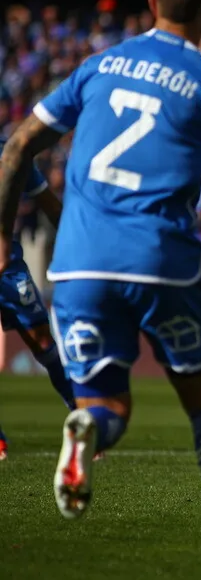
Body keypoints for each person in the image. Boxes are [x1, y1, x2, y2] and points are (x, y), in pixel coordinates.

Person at [0, 0, 201, 570]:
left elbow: (16, 151)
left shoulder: (95, 67)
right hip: (161, 263)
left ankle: (85, 426)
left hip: (79, 266)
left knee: (106, 405)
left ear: (150, 2)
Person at [0, 139, 76, 460]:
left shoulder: (10, 153)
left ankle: (80, 415)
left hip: (8, 267)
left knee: (42, 341)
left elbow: (48, 203)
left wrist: (80, 240)